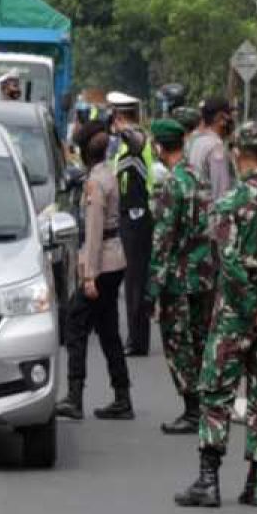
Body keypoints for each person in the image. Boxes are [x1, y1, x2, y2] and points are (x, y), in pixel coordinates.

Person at [176, 121, 257, 508]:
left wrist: (249, 310)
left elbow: (228, 265)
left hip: (233, 316)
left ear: (238, 153)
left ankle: (208, 480)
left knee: (216, 392)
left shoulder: (228, 204)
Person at [56, 120, 134, 421]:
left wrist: (89, 276)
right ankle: (122, 395)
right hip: (114, 261)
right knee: (108, 331)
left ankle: (75, 398)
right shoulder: (107, 175)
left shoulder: (94, 184)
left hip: (101, 263)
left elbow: (94, 229)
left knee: (75, 326)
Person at [147, 118, 214, 435]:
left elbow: (163, 240)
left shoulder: (173, 184)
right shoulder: (198, 177)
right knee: (200, 340)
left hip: (178, 277)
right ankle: (203, 405)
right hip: (204, 275)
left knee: (177, 343)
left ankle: (191, 408)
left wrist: (152, 288)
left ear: (159, 147)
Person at [107, 91, 157, 357]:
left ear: (119, 116)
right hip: (129, 215)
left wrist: (124, 130)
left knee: (135, 280)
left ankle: (137, 340)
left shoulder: (137, 139)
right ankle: (136, 337)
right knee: (132, 280)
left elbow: (136, 141)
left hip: (138, 216)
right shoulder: (125, 144)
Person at [188, 97, 236, 201]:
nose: (231, 120)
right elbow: (221, 194)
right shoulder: (216, 147)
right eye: (229, 115)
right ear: (221, 118)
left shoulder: (195, 141)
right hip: (211, 212)